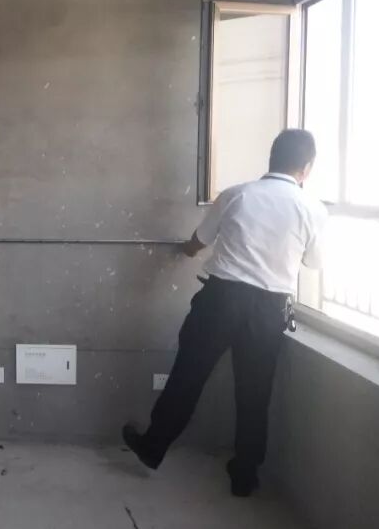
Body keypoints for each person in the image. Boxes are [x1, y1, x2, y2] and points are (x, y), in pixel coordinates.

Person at [122, 129, 327, 496]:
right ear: (306, 168)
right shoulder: (313, 209)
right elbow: (313, 262)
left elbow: (198, 242)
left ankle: (153, 448)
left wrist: (186, 251)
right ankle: (245, 476)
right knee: (255, 392)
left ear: (271, 157)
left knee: (188, 376)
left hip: (221, 300)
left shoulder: (237, 194)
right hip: (268, 309)